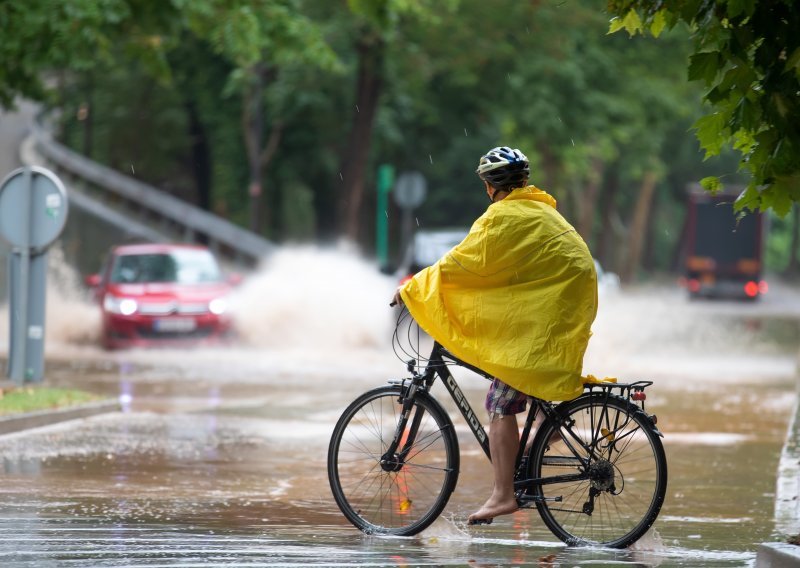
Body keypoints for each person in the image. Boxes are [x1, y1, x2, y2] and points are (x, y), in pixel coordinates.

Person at [391, 146, 598, 524]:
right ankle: (541, 438)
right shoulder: (540, 210)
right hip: (569, 299)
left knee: (501, 403)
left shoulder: (502, 217)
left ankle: (504, 495)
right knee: (526, 374)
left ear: (489, 186)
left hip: (552, 304)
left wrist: (412, 288)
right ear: (523, 180)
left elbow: (461, 262)